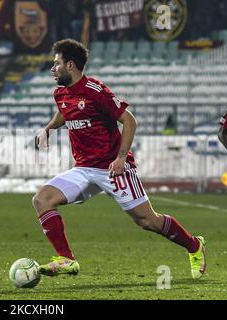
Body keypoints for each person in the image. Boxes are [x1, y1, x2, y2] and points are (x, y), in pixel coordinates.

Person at [34, 39, 206, 279]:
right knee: (42, 200)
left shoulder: (95, 91)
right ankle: (67, 260)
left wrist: (121, 158)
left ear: (70, 65)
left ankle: (194, 246)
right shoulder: (60, 93)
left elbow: (129, 120)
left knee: (147, 221)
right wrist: (48, 128)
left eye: (57, 64)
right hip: (84, 168)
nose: (53, 69)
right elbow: (65, 111)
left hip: (113, 167)